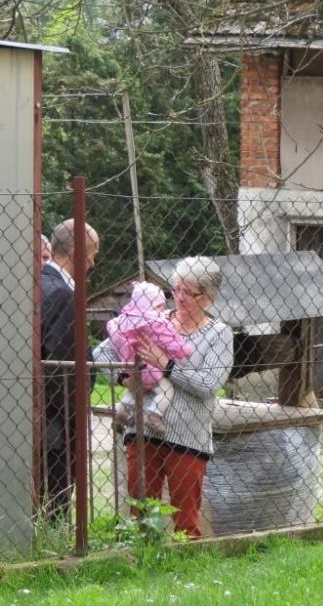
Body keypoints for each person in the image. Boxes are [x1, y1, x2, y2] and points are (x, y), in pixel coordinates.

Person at [94, 256, 233, 539]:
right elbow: (101, 353)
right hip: (142, 431)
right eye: (176, 289)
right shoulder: (152, 319)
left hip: (188, 438)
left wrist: (166, 365)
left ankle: (186, 561)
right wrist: (124, 377)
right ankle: (145, 558)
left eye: (189, 292)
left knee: (185, 519)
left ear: (209, 298)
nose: (179, 297)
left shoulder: (219, 334)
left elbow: (208, 384)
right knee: (142, 515)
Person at [40, 219, 99, 519]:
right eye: (92, 255)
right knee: (55, 507)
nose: (92, 264)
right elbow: (62, 369)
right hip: (57, 425)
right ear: (76, 253)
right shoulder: (62, 294)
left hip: (37, 418)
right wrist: (76, 412)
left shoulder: (39, 283)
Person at [107, 281, 194, 436]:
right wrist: (184, 350)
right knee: (166, 390)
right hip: (151, 368)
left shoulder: (123, 320)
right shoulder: (156, 322)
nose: (162, 310)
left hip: (131, 367)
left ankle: (122, 412)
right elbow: (169, 340)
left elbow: (114, 337)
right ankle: (154, 414)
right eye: (160, 306)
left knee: (135, 390)